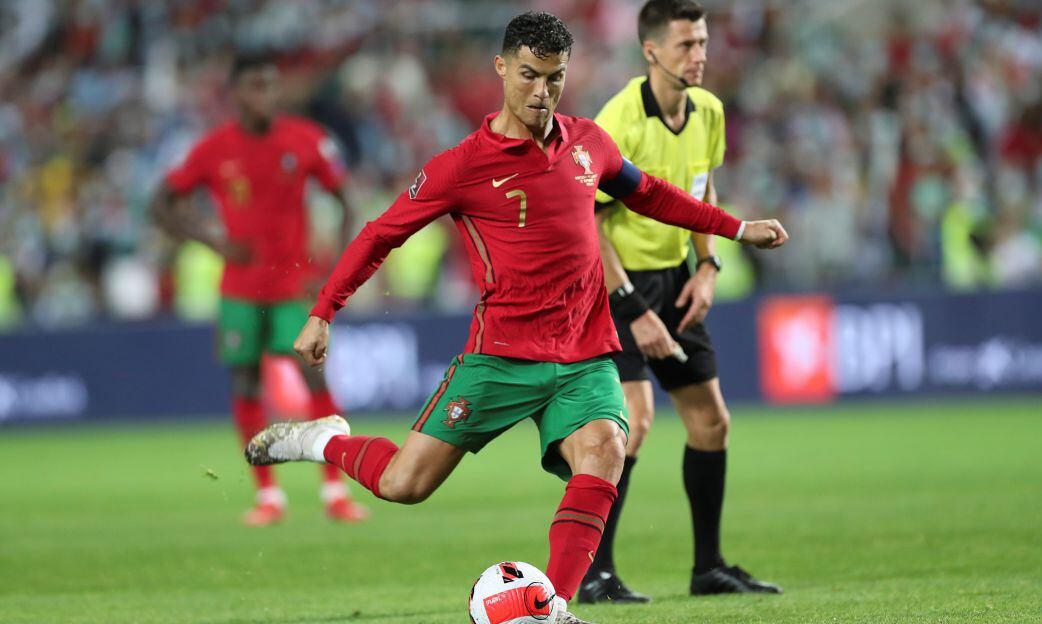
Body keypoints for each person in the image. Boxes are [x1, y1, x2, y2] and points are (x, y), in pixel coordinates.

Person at [244, 12, 786, 623]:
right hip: (501, 356)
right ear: (501, 68)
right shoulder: (463, 165)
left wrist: (736, 228)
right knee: (405, 485)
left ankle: (550, 608)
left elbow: (652, 194)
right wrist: (324, 312)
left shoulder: (589, 145)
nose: (541, 92)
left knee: (607, 447)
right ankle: (323, 439)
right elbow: (380, 233)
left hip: (583, 352)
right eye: (528, 75)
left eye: (554, 79)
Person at [580, 0, 782, 603]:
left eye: (702, 43)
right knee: (632, 423)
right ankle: (594, 576)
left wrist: (710, 265)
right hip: (615, 284)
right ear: (650, 52)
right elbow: (587, 223)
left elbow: (701, 190)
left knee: (711, 422)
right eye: (685, 45)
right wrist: (635, 308)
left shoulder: (709, 112)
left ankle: (708, 568)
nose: (698, 55)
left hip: (675, 278)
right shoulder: (618, 122)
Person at [152, 53, 368, 526]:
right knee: (246, 384)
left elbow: (346, 198)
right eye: (255, 86)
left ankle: (335, 490)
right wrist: (212, 239)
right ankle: (269, 496)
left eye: (271, 86)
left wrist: (331, 267)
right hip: (240, 292)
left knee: (315, 379)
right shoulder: (213, 149)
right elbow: (161, 202)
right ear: (236, 93)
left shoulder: (306, 139)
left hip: (294, 289)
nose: (265, 96)